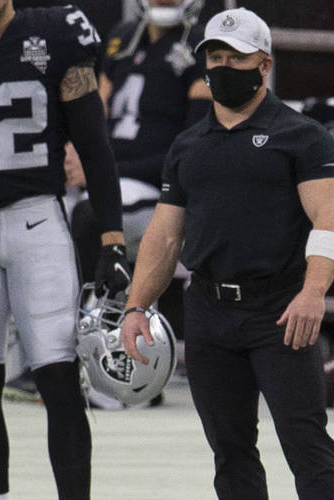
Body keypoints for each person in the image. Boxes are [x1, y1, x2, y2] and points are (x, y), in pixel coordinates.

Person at [119, 7, 334, 500]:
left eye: (235, 58)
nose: (222, 68)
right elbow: (163, 238)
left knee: (304, 439)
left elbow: (331, 223)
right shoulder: (190, 143)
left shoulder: (301, 135)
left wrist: (313, 291)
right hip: (209, 307)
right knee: (230, 446)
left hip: (281, 307)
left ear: (264, 64)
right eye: (214, 58)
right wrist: (136, 306)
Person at [0, 0, 129, 500]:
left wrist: (112, 236)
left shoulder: (56, 34)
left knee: (59, 379)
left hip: (36, 219)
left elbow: (93, 143)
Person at [66, 0, 210, 334]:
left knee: (89, 218)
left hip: (155, 186)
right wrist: (75, 154)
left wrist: (104, 172)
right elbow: (92, 119)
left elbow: (195, 148)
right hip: (107, 178)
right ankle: (47, 348)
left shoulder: (202, 45)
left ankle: (94, 335)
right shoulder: (122, 37)